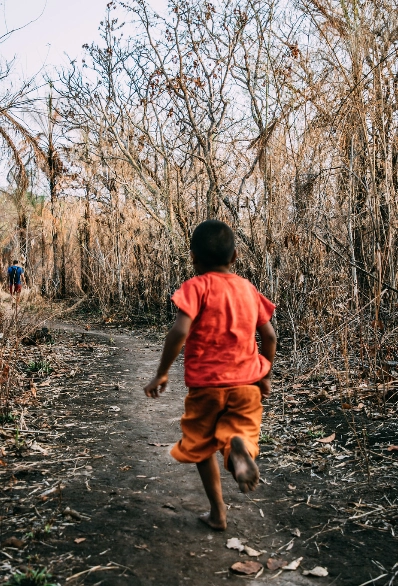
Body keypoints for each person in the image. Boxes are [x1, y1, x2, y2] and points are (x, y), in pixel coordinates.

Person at [144, 220, 277, 531]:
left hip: (206, 387)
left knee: (201, 446)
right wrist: (265, 374)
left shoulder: (195, 288)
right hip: (247, 385)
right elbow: (269, 337)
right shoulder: (248, 289)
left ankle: (218, 513)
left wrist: (162, 373)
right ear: (235, 256)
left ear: (193, 258)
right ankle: (237, 448)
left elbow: (179, 331)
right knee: (241, 432)